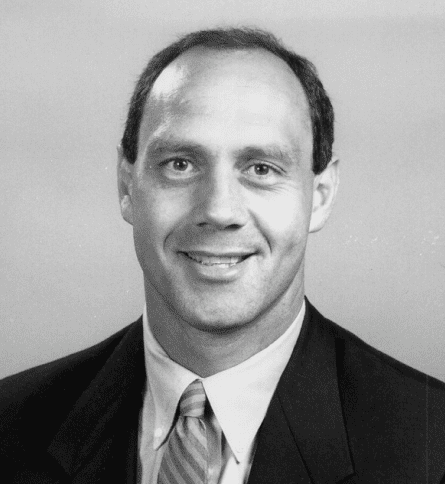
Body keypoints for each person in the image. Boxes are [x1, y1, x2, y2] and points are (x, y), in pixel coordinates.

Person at [1, 27, 444, 484]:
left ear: (321, 196)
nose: (218, 210)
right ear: (126, 186)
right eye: (180, 164)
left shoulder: (432, 446)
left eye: (261, 168)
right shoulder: (9, 425)